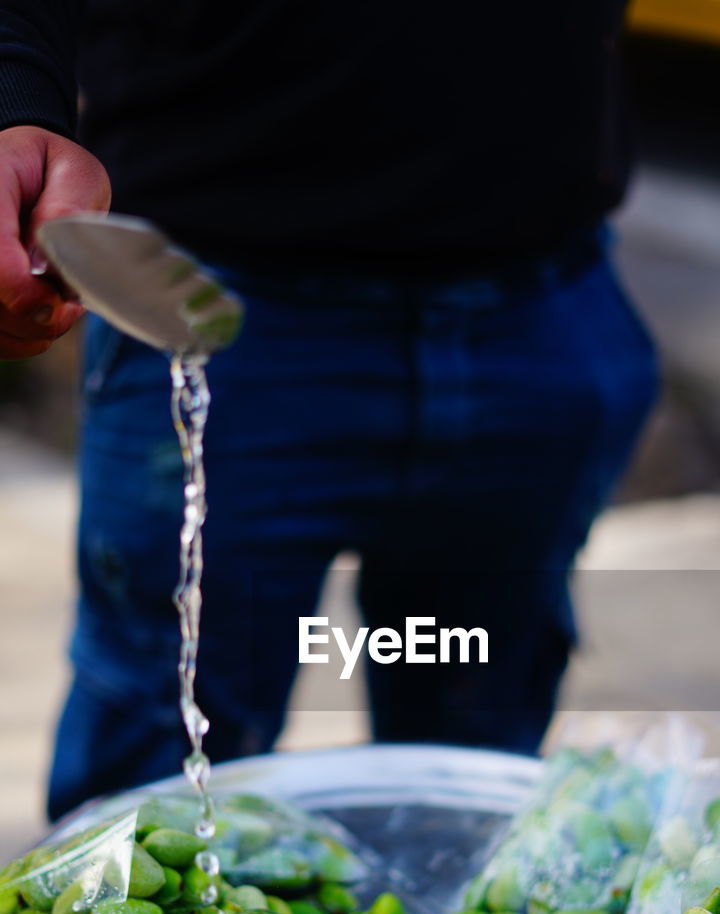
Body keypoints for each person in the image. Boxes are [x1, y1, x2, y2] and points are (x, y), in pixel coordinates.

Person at [0, 3, 659, 821]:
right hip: (209, 303)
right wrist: (15, 96)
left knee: (477, 742)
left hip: (542, 300)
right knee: (153, 776)